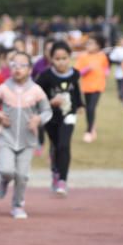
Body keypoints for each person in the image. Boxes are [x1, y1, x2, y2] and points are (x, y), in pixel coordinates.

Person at [0, 51, 52, 218]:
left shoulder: (36, 90)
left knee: (22, 176)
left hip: (27, 140)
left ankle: (18, 205)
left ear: (30, 69)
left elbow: (47, 111)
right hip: (6, 138)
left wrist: (38, 119)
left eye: (22, 65)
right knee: (7, 171)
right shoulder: (3, 89)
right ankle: (3, 181)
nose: (18, 69)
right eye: (14, 65)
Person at [36, 40, 85, 197]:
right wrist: (50, 102)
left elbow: (76, 91)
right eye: (57, 59)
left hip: (68, 115)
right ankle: (55, 171)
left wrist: (80, 105)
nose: (61, 62)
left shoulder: (75, 74)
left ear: (69, 58)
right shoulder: (45, 76)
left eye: (64, 58)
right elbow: (37, 95)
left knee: (64, 145)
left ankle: (63, 179)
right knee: (56, 145)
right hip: (50, 116)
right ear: (51, 59)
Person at [76, 34, 109, 143]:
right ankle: (91, 126)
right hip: (86, 87)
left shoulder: (102, 56)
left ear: (98, 46)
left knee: (91, 108)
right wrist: (86, 69)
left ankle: (89, 131)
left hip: (98, 86)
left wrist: (105, 73)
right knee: (89, 109)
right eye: (88, 43)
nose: (89, 46)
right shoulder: (82, 56)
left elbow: (106, 68)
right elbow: (77, 72)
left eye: (92, 43)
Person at [109, 35, 123, 108]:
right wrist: (120, 62)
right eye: (122, 40)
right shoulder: (117, 49)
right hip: (120, 73)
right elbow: (111, 59)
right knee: (121, 89)